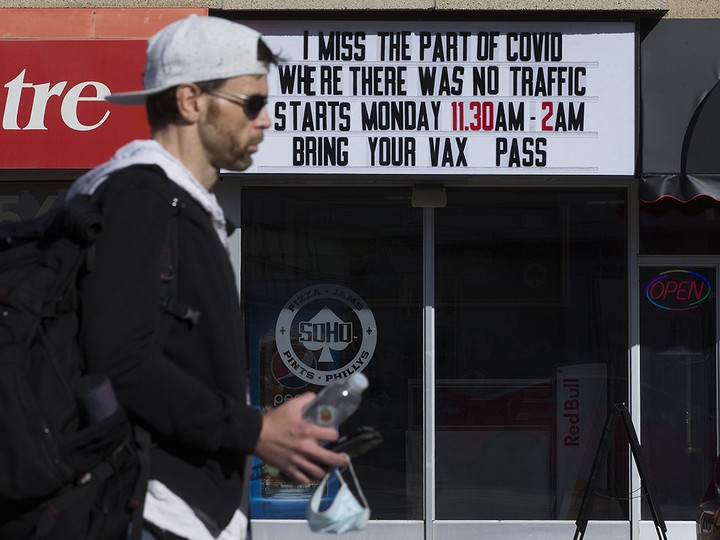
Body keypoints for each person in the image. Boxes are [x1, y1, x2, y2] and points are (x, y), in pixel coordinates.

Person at [68, 14, 346, 540]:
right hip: (152, 508)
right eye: (253, 103)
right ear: (191, 101)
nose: (265, 121)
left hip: (179, 511)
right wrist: (256, 431)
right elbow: (120, 361)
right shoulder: (140, 199)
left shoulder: (175, 206)